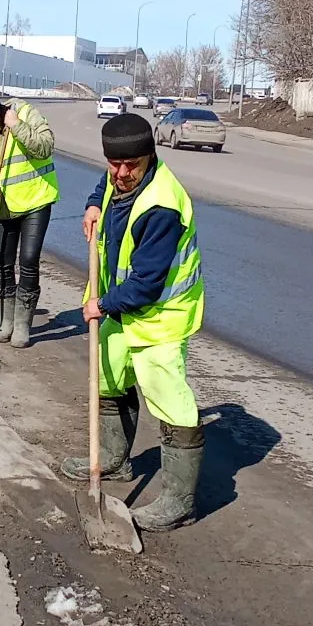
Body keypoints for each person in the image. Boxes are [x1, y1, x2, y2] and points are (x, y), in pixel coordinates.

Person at [61, 112, 205, 531]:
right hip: (124, 308)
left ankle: (179, 500)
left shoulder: (161, 205)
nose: (121, 174)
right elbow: (103, 184)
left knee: (168, 396)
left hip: (161, 314)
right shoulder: (119, 175)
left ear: (150, 157)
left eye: (131, 166)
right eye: (114, 165)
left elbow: (146, 284)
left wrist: (101, 304)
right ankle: (113, 459)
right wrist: (92, 204)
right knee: (107, 372)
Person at [0, 86, 59, 349]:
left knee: (28, 260)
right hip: (3, 208)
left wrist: (16, 125)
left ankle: (22, 325)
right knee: (3, 264)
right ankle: (6, 323)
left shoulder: (25, 112)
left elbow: (45, 147)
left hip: (35, 202)